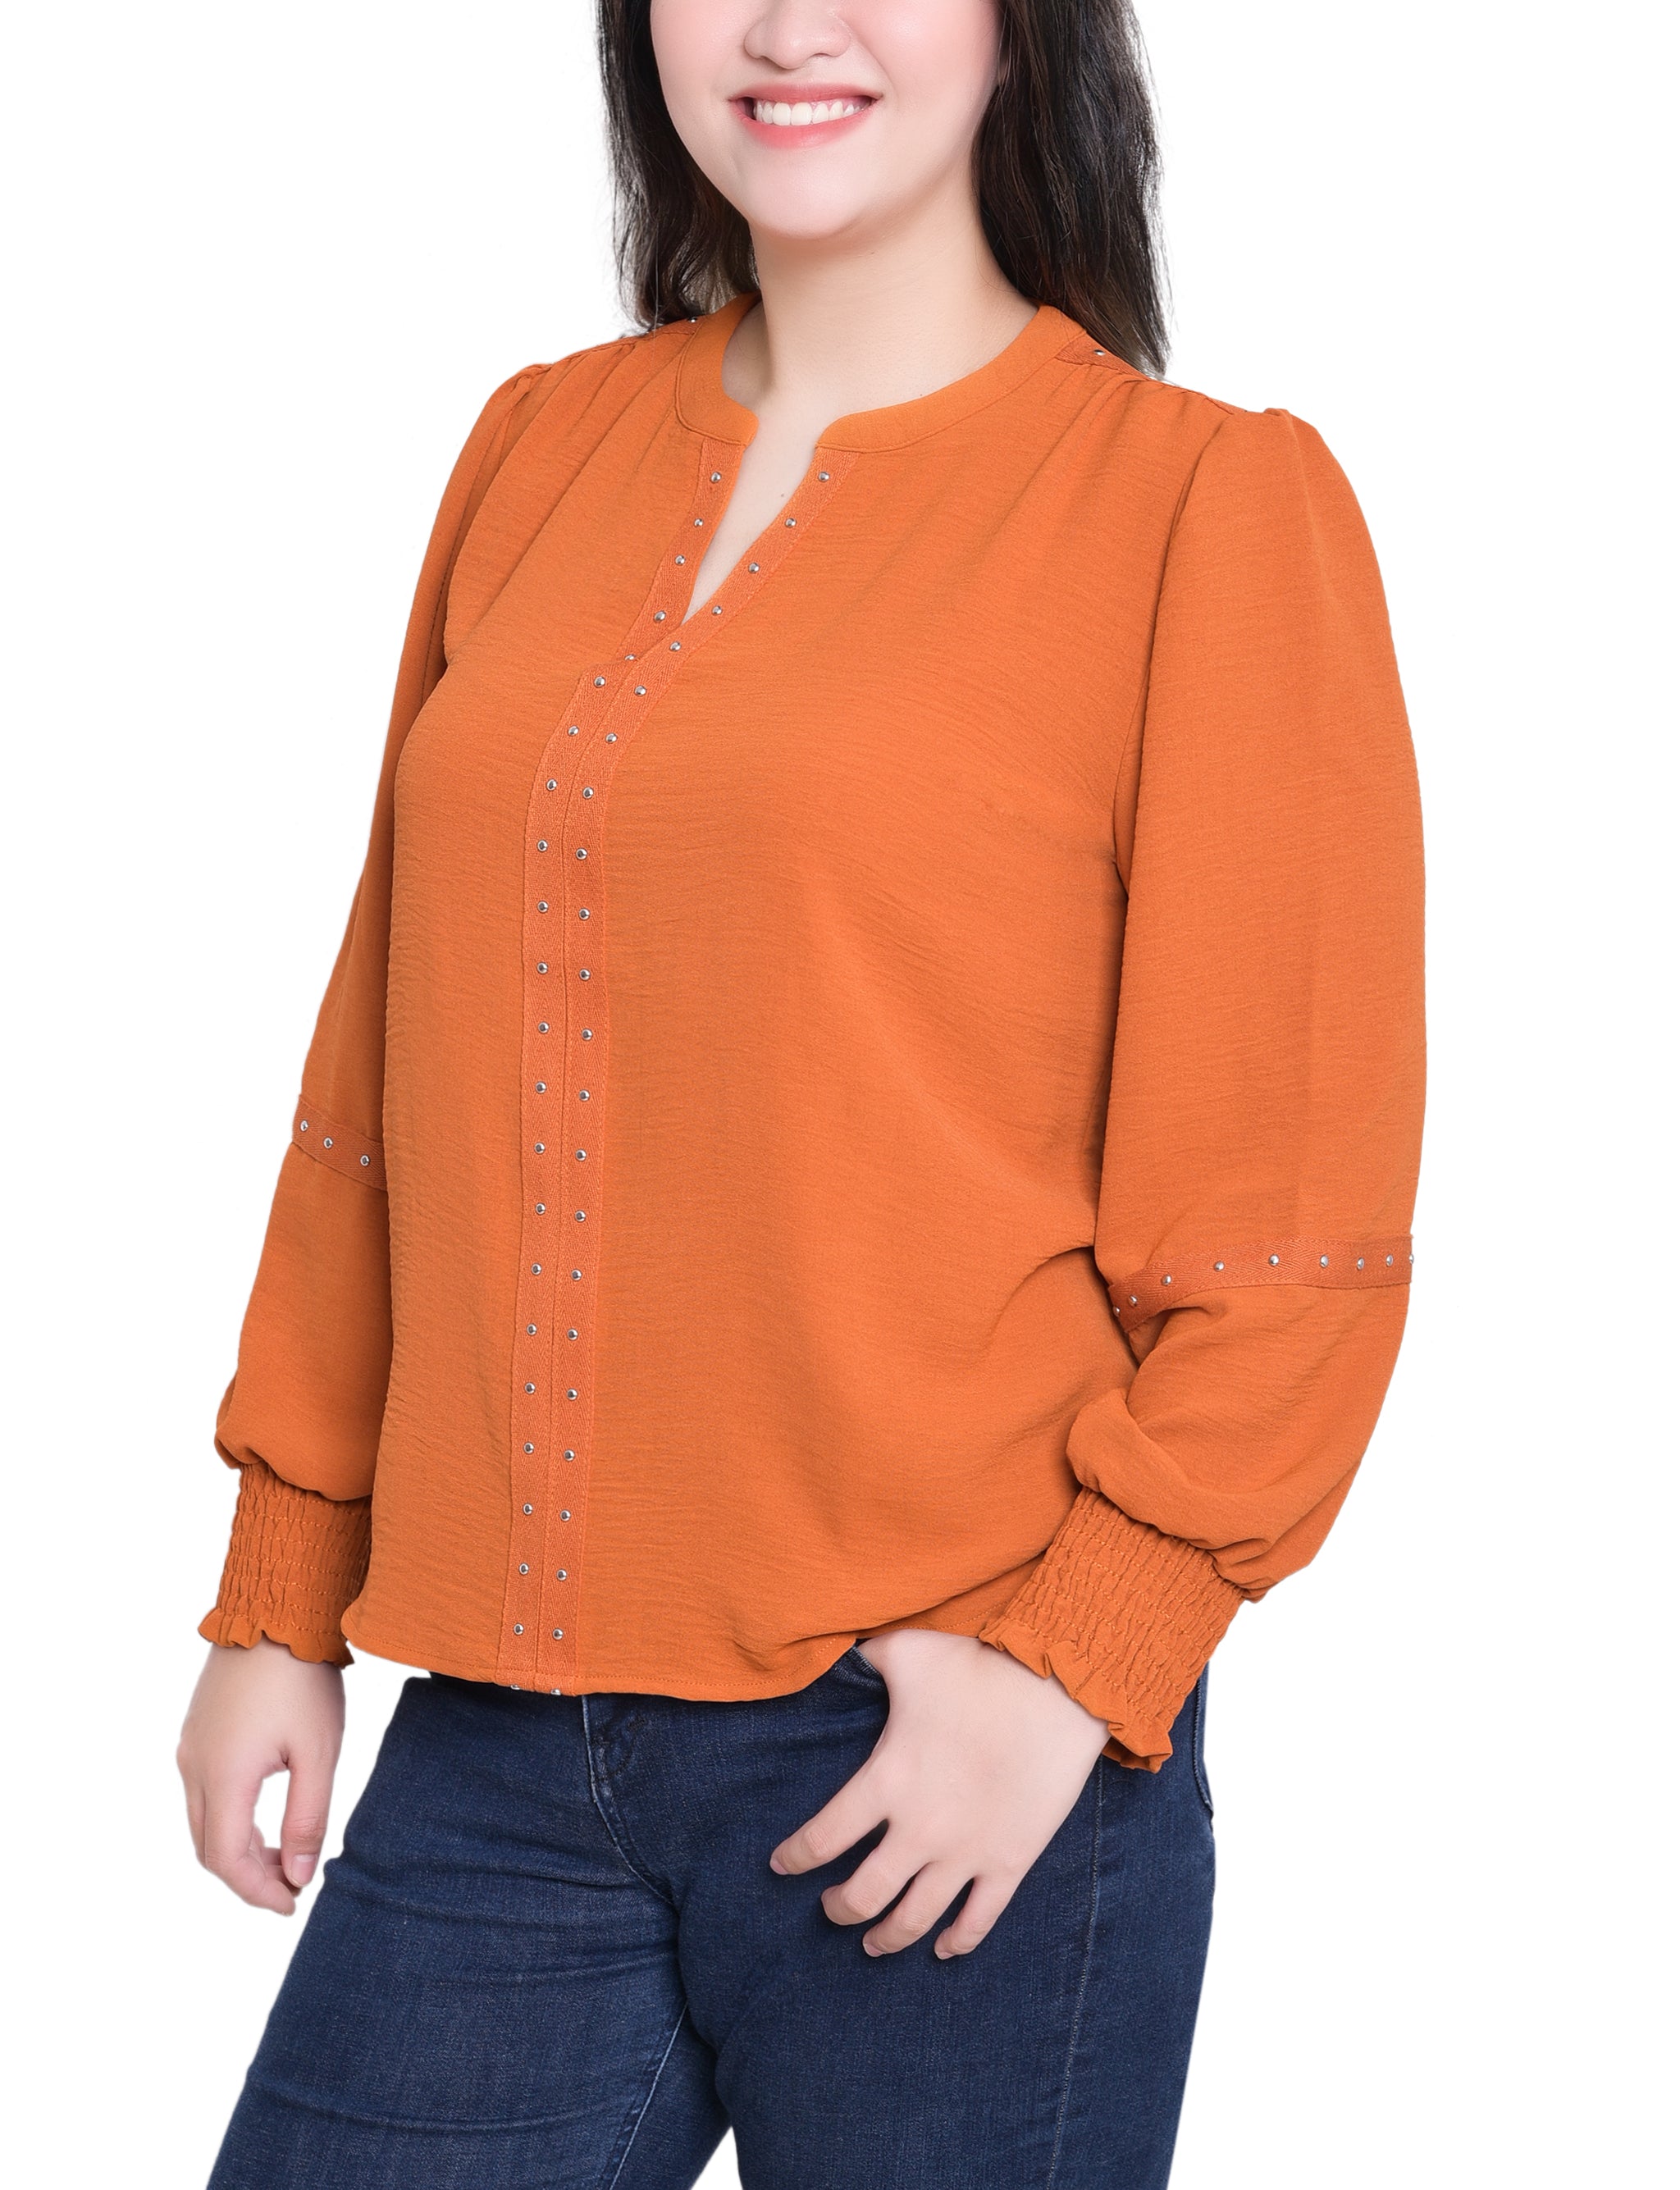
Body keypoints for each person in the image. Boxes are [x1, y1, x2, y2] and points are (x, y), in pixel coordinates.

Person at [177, 2, 1425, 2183]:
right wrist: (282, 1583)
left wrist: (1080, 1661)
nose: (784, 26)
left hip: (944, 1742)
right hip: (497, 1731)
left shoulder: (1198, 506)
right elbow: (388, 1061)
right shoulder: (536, 450)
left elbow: (1290, 1210)